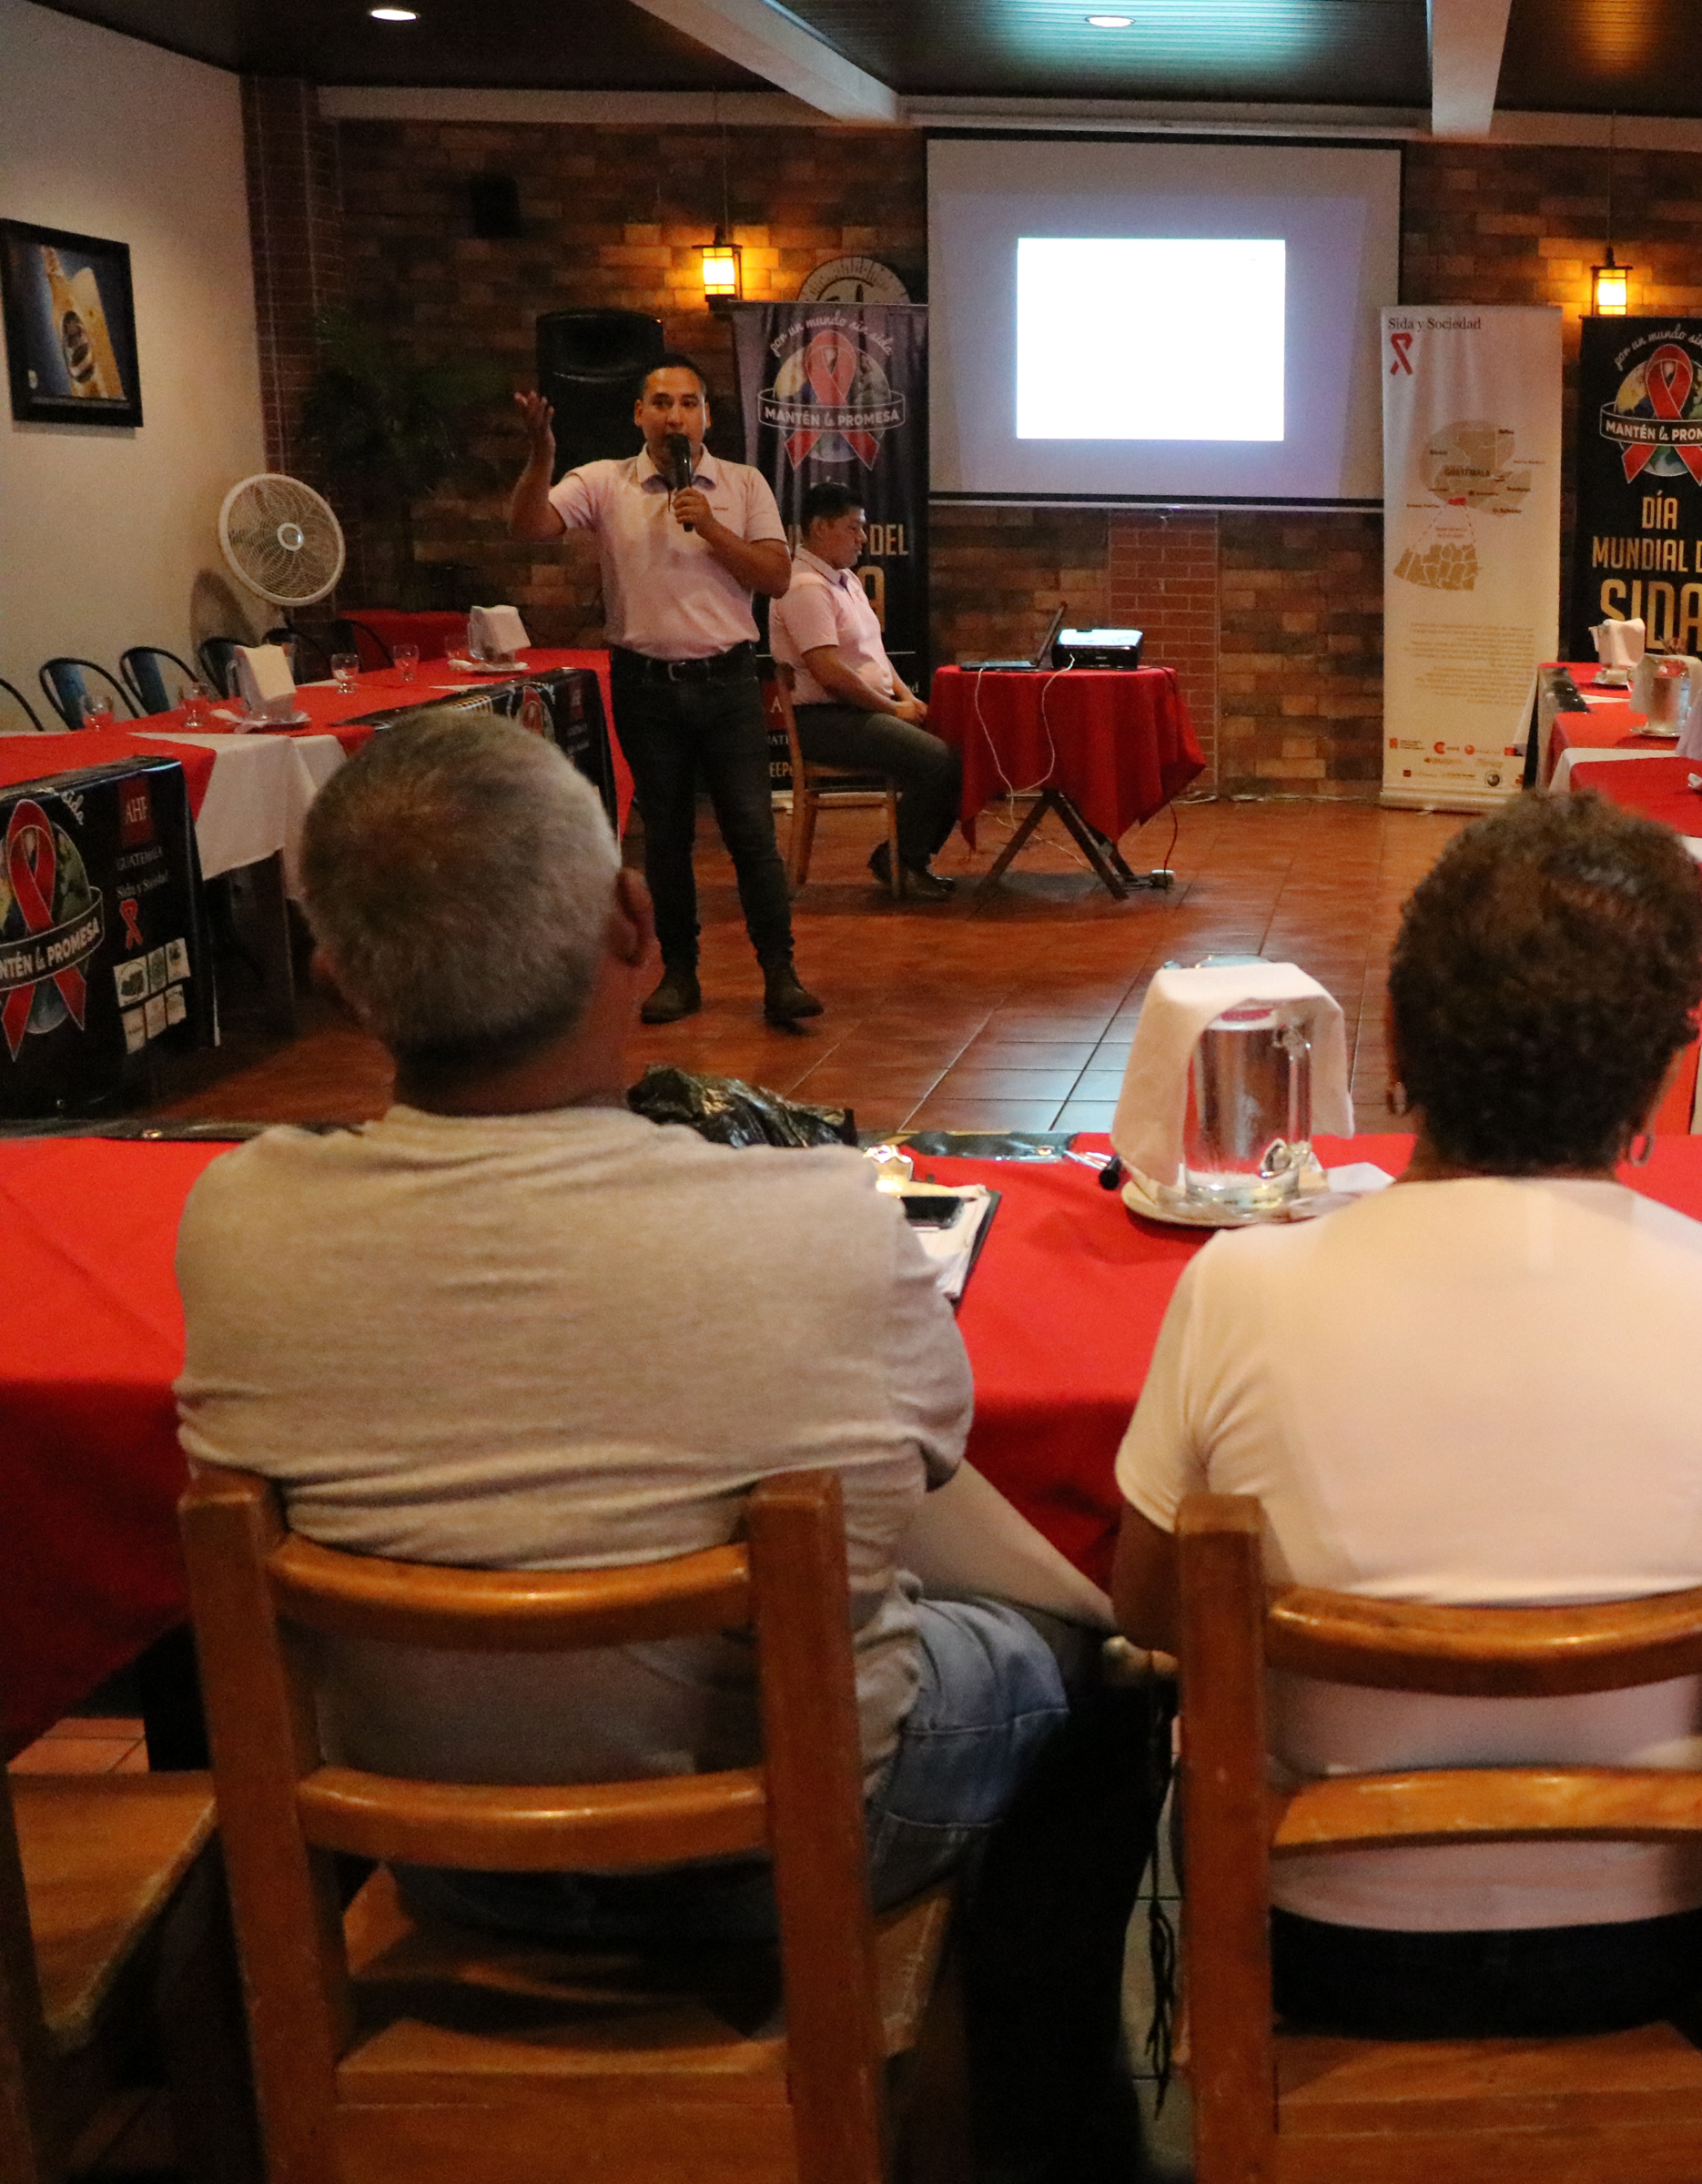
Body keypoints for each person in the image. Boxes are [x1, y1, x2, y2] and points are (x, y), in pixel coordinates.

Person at [171, 710, 1155, 2179]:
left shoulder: (236, 1225)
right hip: (788, 1845)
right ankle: (1054, 2133)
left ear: (338, 979)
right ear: (635, 926)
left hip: (435, 1842)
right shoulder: (821, 1225)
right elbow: (930, 1472)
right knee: (1089, 1674)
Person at [1109, 793, 1702, 2039]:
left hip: (1324, 1939)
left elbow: (1146, 1607)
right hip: (1654, 1942)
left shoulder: (1240, 1288)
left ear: (1395, 1038)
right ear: (1666, 1074)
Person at [508, 355, 818, 1027]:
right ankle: (679, 974)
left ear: (706, 415)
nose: (675, 416)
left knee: (752, 835)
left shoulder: (743, 484)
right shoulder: (604, 481)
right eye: (661, 403)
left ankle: (780, 973)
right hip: (645, 688)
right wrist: (541, 454)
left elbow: (775, 577)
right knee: (668, 840)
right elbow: (530, 526)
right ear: (639, 415)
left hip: (728, 683)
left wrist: (711, 526)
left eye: (687, 403)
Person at [769, 480, 962, 901]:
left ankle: (906, 856)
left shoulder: (845, 580)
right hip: (826, 720)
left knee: (960, 747)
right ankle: (899, 859)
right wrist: (892, 712)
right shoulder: (805, 586)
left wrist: (905, 697)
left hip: (860, 712)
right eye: (853, 527)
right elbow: (830, 674)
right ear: (820, 527)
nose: (862, 538)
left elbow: (875, 654)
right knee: (940, 761)